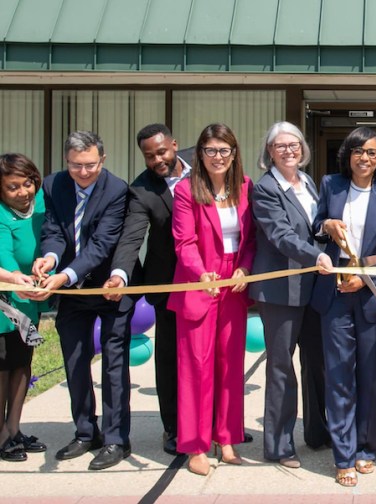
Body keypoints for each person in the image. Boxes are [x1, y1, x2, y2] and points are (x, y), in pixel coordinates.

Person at [312, 127, 376, 488]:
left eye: (371, 152)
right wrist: (326, 224)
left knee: (370, 377)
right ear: (347, 155)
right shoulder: (331, 185)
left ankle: (366, 448)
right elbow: (315, 228)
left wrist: (362, 271)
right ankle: (343, 454)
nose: (364, 158)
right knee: (339, 377)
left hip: (371, 298)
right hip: (334, 298)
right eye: (357, 151)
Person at [32, 131, 131, 470]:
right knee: (75, 361)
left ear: (102, 160)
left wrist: (65, 276)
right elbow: (55, 230)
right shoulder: (53, 184)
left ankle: (117, 439)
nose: (84, 172)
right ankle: (86, 431)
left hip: (109, 285)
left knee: (114, 365)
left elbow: (102, 244)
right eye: (76, 166)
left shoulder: (116, 189)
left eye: (90, 165)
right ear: (66, 162)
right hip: (70, 290)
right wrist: (49, 259)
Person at [167, 123, 256, 476]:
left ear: (234, 153)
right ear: (198, 155)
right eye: (210, 150)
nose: (218, 157)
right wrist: (200, 272)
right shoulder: (186, 190)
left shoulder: (246, 187)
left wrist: (245, 268)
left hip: (233, 281)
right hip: (198, 281)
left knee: (230, 364)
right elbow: (183, 241)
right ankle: (196, 446)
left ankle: (227, 436)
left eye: (224, 150)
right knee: (196, 368)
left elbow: (251, 240)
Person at [101, 124, 191, 456]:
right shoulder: (141, 190)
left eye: (162, 151)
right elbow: (131, 238)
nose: (157, 160)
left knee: (209, 354)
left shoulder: (204, 163)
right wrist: (120, 274)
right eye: (149, 156)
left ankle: (214, 423)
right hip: (166, 281)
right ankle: (174, 428)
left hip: (211, 280)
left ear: (175, 145)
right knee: (169, 358)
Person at [249, 121, 332, 468]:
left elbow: (314, 227)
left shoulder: (307, 182)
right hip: (281, 292)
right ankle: (279, 444)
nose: (288, 150)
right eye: (280, 145)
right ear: (269, 152)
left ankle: (317, 432)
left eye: (294, 144)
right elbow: (281, 235)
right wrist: (317, 255)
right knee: (282, 368)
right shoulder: (266, 188)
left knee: (317, 364)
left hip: (314, 288)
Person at [0, 153, 48, 462]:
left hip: (28, 302)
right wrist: (15, 277)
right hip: (5, 301)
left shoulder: (41, 204)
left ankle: (14, 428)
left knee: (22, 364)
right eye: (13, 187)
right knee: (1, 368)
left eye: (28, 183)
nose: (23, 192)